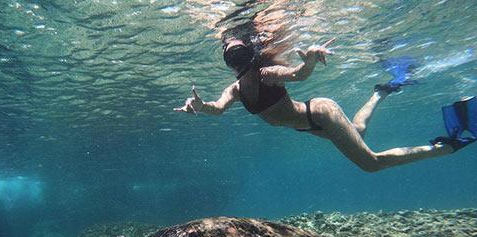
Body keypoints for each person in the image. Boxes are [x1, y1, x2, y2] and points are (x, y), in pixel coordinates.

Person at [175, 37, 475, 172]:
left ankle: (446, 147)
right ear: (228, 64)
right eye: (230, 55)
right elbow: (218, 107)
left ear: (250, 54)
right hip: (307, 124)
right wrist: (200, 107)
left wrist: (309, 62)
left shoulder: (267, 74)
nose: (235, 57)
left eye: (238, 52)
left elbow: (297, 76)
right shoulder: (236, 89)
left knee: (370, 163)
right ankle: (381, 91)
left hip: (320, 112)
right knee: (357, 129)